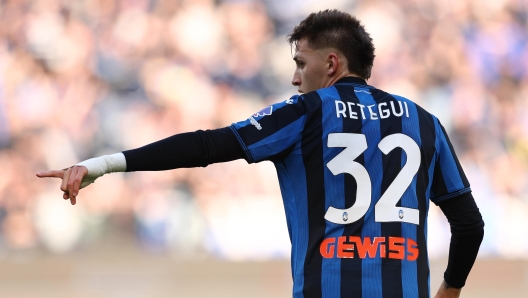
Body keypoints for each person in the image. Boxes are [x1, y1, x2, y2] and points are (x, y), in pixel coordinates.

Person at [37, 9, 484, 298]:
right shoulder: (424, 120)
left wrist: (104, 163)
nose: (294, 78)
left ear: (331, 64)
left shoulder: (307, 111)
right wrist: (450, 290)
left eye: (300, 64)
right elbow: (469, 224)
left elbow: (207, 145)